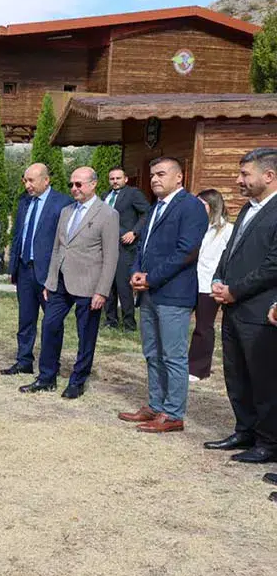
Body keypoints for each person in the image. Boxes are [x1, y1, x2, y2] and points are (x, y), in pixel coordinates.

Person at [117, 158, 208, 433]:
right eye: (152, 174)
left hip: (173, 294)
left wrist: (151, 277)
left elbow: (186, 251)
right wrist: (135, 270)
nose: (155, 178)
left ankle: (173, 414)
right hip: (149, 294)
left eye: (161, 174)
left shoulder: (190, 207)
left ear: (179, 178)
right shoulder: (155, 207)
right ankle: (156, 405)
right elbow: (142, 246)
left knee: (173, 356)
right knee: (152, 353)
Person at [203, 148, 277, 464]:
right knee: (237, 374)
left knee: (264, 379)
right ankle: (244, 430)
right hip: (233, 308)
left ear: (269, 176)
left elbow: (273, 265)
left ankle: (269, 442)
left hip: (260, 311)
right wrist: (220, 280)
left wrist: (236, 290)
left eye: (245, 174)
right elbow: (230, 250)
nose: (238, 180)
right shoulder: (248, 208)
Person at [21, 167, 119, 399]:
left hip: (89, 285)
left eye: (79, 184)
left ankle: (78, 380)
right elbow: (57, 248)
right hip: (60, 283)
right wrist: (49, 281)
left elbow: (111, 256)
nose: (74, 189)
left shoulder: (107, 214)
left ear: (93, 184)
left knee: (86, 334)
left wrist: (102, 291)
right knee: (50, 326)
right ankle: (46, 377)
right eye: (71, 185)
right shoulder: (66, 211)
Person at [2, 163, 71, 377]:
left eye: (32, 180)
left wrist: (58, 273)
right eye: (25, 180)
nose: (27, 185)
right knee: (26, 319)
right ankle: (24, 361)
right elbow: (18, 236)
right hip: (25, 270)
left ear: (46, 180)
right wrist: (13, 266)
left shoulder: (62, 203)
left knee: (51, 322)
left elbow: (65, 242)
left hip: (49, 273)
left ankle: (51, 365)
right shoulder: (24, 201)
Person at [187, 190, 233, 381]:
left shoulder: (227, 230)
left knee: (203, 327)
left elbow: (229, 259)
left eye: (201, 204)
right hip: (190, 281)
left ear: (212, 206)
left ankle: (198, 369)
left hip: (209, 284)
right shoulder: (197, 226)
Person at [102, 167, 151, 332]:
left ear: (126, 179)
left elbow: (147, 213)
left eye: (118, 178)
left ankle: (129, 324)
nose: (115, 181)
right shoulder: (105, 196)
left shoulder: (133, 194)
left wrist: (135, 232)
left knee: (123, 286)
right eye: (112, 179)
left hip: (125, 246)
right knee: (107, 284)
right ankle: (111, 321)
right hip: (106, 245)